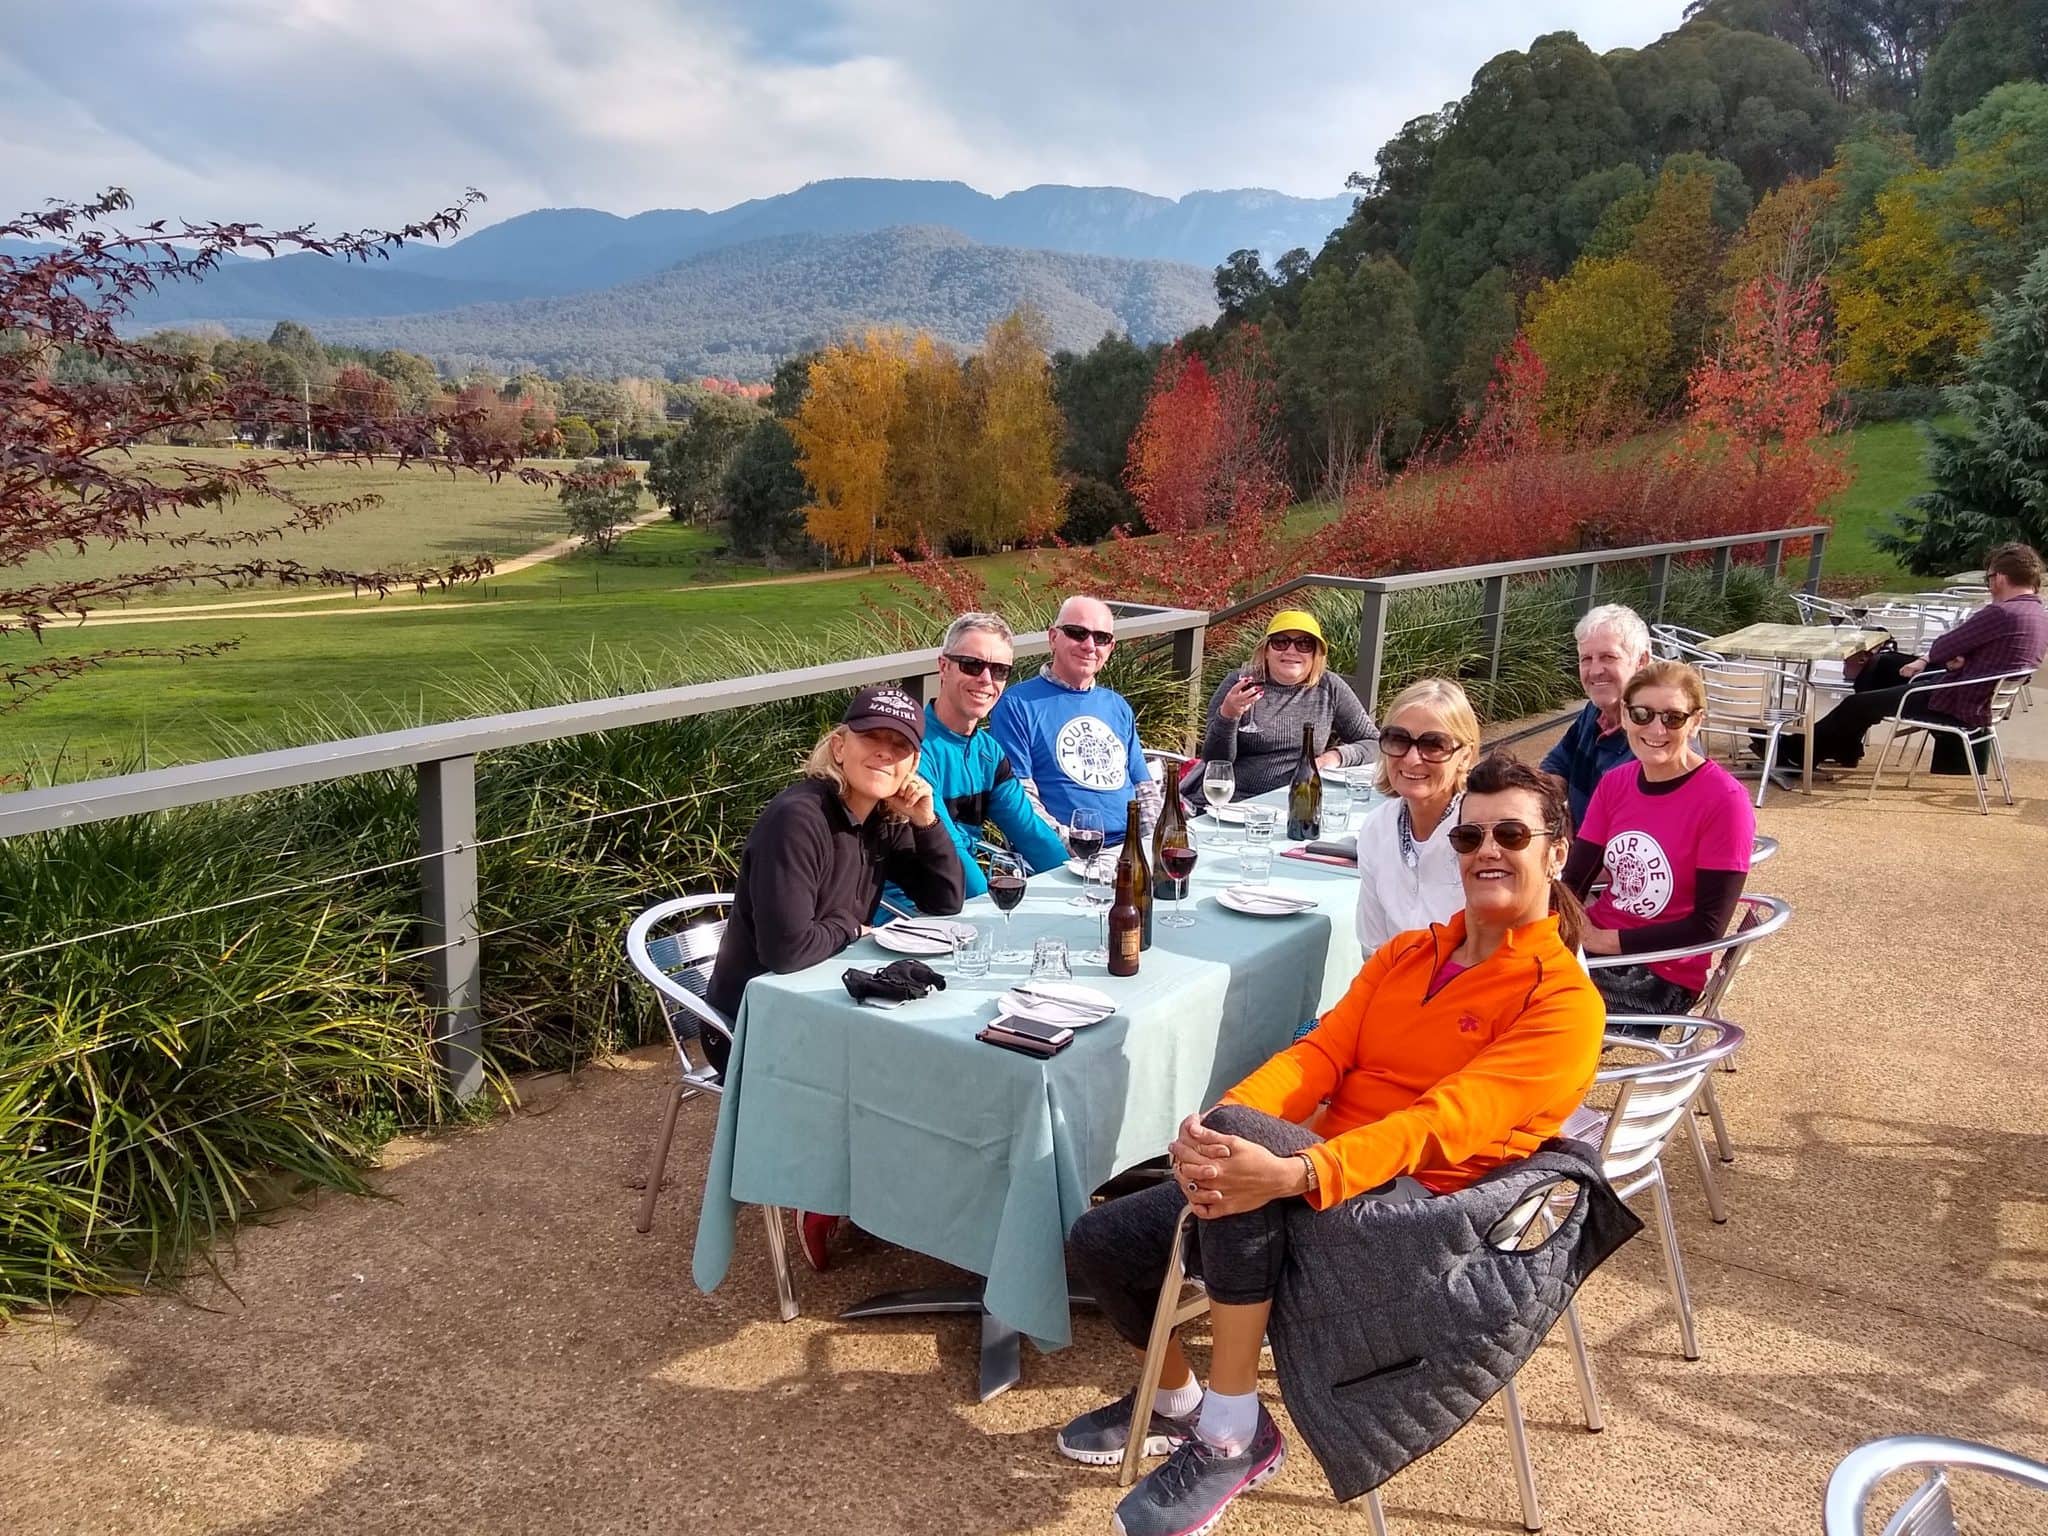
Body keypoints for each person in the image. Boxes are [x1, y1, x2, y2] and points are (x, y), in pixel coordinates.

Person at [1058, 754, 1604, 1536]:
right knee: (1101, 1240)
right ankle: (1179, 1402)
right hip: (1317, 1175)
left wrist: (1295, 1169)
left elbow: (1441, 1122)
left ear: (1555, 854)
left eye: (1511, 835)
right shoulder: (1410, 954)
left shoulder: (1563, 1002)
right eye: (1470, 835)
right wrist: (1222, 1123)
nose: (1487, 850)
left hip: (1418, 1220)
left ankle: (1233, 1433)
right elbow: (1317, 1057)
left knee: (1240, 1169)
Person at [1562, 660, 1754, 1016]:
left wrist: (1602, 940)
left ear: (1696, 721)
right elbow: (1574, 878)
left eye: (1673, 718)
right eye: (1642, 714)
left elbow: (1707, 927)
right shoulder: (1616, 783)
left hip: (1663, 973)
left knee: (1524, 1002)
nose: (1656, 728)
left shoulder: (1725, 800)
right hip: (1596, 949)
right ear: (1625, 715)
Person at [1779, 542, 2048, 773]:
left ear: (1999, 578)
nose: (1988, 586)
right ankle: (1844, 748)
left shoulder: (2002, 613)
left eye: (1988, 578)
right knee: (1882, 665)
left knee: (1857, 704)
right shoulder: (2038, 614)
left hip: (1955, 700)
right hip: (1980, 696)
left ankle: (1796, 752)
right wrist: (1965, 659)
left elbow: (1943, 646)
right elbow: (2001, 656)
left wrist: (1956, 656)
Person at [889, 612, 1069, 909]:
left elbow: (1033, 834)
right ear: (943, 667)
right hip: (911, 911)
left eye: (999, 670)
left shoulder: (989, 753)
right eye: (972, 665)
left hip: (966, 899)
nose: (986, 679)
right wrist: (992, 911)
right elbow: (950, 847)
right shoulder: (911, 747)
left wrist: (1075, 890)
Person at [988, 594, 1159, 845]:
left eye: (1101, 638)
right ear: (1053, 638)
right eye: (1077, 633)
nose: (1089, 645)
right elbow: (1021, 801)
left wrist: (1153, 845)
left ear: (1110, 647)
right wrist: (1075, 847)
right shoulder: (1017, 705)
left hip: (1131, 848)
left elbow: (1145, 790)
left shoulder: (1117, 706)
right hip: (1068, 851)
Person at [1353, 678, 1480, 954]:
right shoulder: (1377, 827)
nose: (1412, 759)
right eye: (1398, 740)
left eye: (1434, 745)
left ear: (1465, 756)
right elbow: (1373, 947)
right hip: (1396, 976)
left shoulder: (1484, 836)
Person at [1198, 609, 1378, 799]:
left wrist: (1334, 757)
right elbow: (1215, 762)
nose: (1291, 650)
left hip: (1300, 800)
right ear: (1266, 651)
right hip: (1236, 799)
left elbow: (1375, 743)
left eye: (1304, 644)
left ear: (1315, 654)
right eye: (1280, 642)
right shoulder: (1240, 684)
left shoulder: (1329, 687)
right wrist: (1228, 716)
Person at [1541, 604, 1652, 827]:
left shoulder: (1657, 736)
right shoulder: (1594, 713)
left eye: (1608, 657)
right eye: (1586, 659)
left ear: (1641, 661)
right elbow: (1557, 765)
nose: (1595, 671)